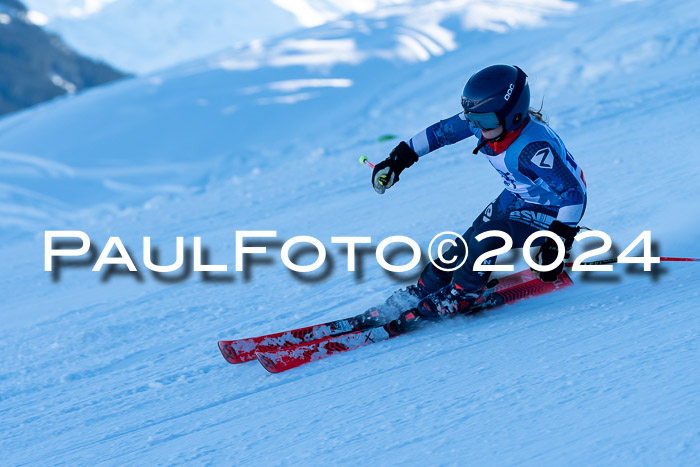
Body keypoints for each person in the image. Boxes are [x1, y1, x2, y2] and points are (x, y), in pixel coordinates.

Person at [370, 64, 587, 334]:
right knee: (466, 244)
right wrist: (397, 161)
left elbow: (574, 193)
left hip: (552, 210)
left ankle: (463, 294)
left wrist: (557, 241)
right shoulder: (488, 122)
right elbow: (439, 133)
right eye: (471, 119)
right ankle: (425, 288)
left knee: (488, 236)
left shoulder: (533, 147)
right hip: (517, 197)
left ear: (514, 116)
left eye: (484, 122)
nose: (477, 128)